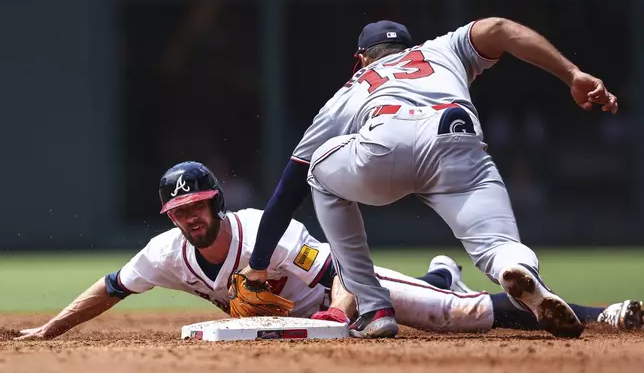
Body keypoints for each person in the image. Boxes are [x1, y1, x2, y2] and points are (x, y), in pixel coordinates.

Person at [237, 17, 619, 339]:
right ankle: (513, 267)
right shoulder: (441, 49)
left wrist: (258, 265)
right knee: (498, 245)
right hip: (458, 137)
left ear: (361, 59)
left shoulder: (350, 90)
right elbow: (501, 28)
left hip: (387, 144)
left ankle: (372, 308)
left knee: (319, 167)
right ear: (409, 46)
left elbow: (289, 189)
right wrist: (571, 73)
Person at [16, 162, 640, 341]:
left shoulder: (266, 230)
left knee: (458, 317)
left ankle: (598, 315)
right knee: (444, 301)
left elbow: (343, 269)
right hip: (311, 317)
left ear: (216, 201)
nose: (191, 217)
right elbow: (112, 287)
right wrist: (49, 330)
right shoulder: (164, 252)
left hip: (345, 293)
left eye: (198, 206)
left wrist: (342, 314)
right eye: (179, 212)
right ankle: (438, 274)